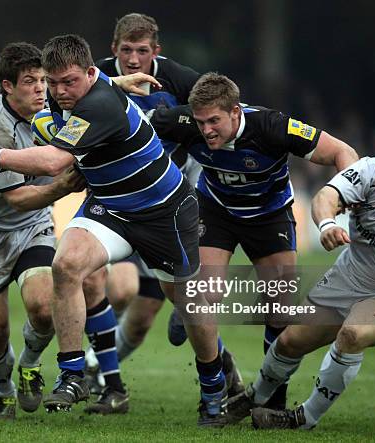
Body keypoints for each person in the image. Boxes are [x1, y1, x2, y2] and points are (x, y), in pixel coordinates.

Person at [0, 34, 230, 427]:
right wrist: (112, 82)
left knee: (189, 307)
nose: (58, 92)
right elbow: (70, 101)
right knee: (66, 266)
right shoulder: (70, 90)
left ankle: (214, 388)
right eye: (51, 83)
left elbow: (53, 162)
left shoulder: (99, 105)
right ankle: (72, 374)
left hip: (164, 213)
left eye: (68, 82)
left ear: (90, 73)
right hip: (110, 208)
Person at [149, 72, 359, 411]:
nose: (206, 130)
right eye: (200, 122)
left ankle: (272, 398)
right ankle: (216, 379)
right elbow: (127, 126)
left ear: (236, 112)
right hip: (215, 209)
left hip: (270, 214)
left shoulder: (273, 126)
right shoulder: (182, 121)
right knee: (202, 296)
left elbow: (343, 152)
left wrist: (350, 194)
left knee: (279, 310)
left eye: (214, 121)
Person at [84, 12, 243, 399]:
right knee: (103, 282)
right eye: (126, 51)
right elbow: (61, 98)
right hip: (115, 198)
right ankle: (98, 374)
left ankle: (226, 375)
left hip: (168, 204)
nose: (134, 59)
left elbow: (218, 111)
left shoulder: (180, 79)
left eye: (142, 51)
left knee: (144, 321)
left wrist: (162, 119)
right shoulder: (95, 76)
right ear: (113, 50)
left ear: (156, 51)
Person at [227, 150, 375, 429]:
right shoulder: (372, 170)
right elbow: (326, 197)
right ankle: (255, 396)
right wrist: (327, 224)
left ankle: (305, 418)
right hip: (347, 278)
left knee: (353, 334)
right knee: (288, 342)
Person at [0, 42, 88, 420]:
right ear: (7, 87)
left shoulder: (51, 108)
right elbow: (17, 198)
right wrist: (63, 187)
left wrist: (122, 80)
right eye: (29, 81)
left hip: (33, 227)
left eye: (43, 81)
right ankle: (3, 390)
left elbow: (92, 90)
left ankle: (30, 364)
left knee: (44, 308)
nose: (40, 89)